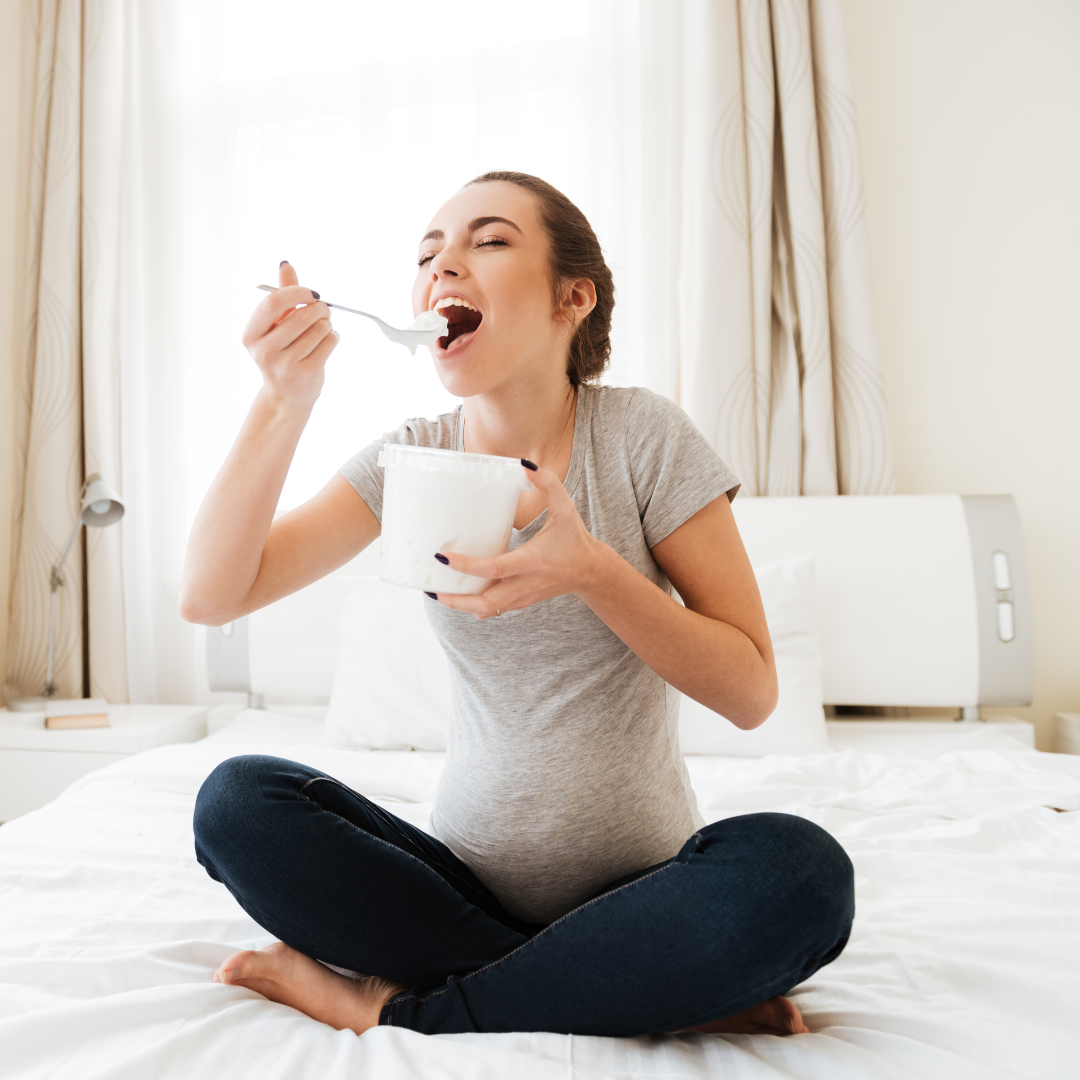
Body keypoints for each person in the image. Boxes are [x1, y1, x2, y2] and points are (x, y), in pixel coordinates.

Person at [181, 171, 854, 1038]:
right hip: (455, 892)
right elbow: (211, 594)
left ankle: (405, 1010)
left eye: (487, 241)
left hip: (649, 892)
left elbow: (752, 692)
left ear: (573, 298)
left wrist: (595, 572)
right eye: (427, 255)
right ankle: (635, 985)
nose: (442, 268)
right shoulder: (410, 456)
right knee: (237, 801)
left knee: (801, 872)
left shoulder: (644, 438)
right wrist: (282, 400)